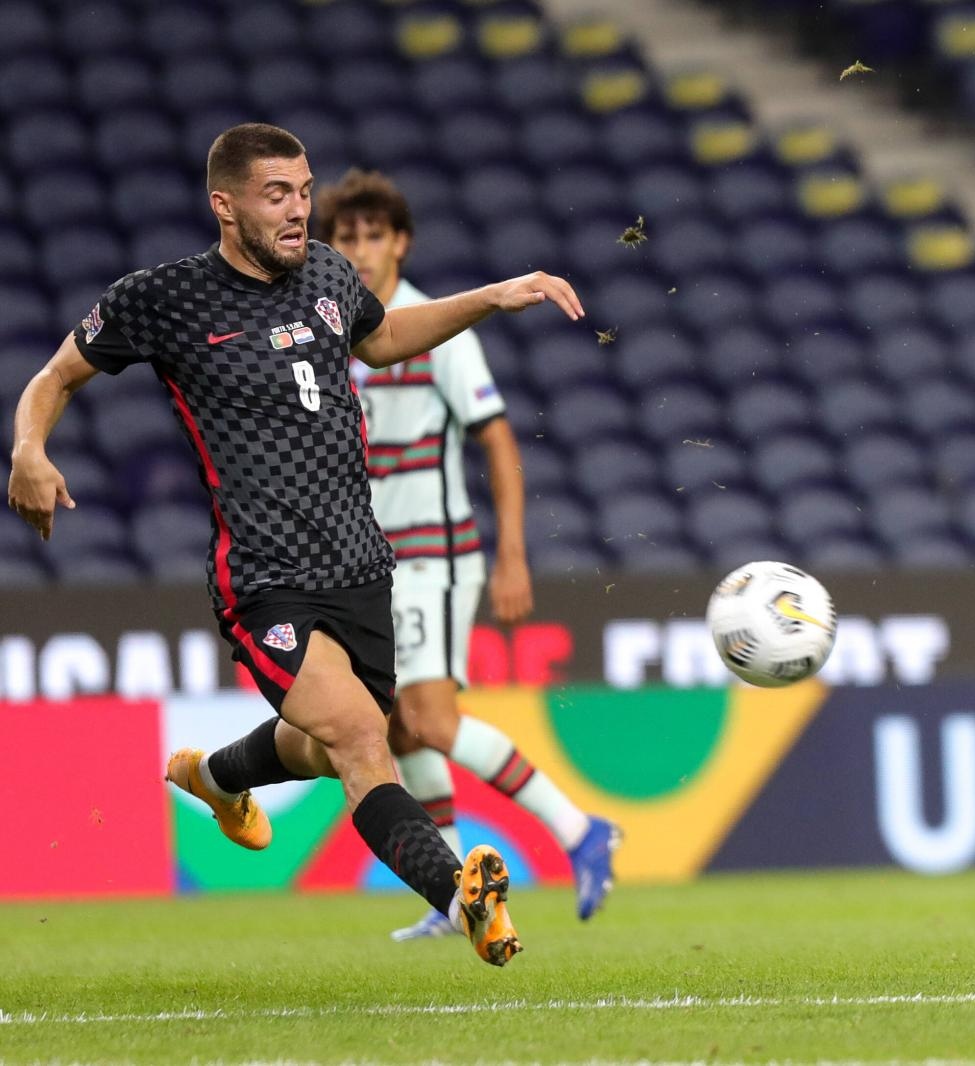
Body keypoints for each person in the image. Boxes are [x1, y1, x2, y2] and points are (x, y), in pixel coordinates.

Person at [6, 124, 585, 967]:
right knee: (359, 739)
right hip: (264, 577)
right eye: (277, 194)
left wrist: (491, 297)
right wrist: (28, 448)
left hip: (360, 566)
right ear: (225, 204)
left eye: (305, 191)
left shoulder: (327, 274)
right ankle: (463, 899)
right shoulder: (163, 298)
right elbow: (55, 376)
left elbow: (384, 339)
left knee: (320, 743)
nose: (299, 210)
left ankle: (214, 778)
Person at [313, 169, 619, 941]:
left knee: (430, 718)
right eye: (346, 237)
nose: (360, 249)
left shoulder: (433, 329)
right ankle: (452, 891)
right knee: (394, 728)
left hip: (434, 556)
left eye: (374, 235)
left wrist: (511, 553)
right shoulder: (327, 334)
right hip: (371, 565)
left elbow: (498, 438)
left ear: (401, 243)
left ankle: (580, 828)